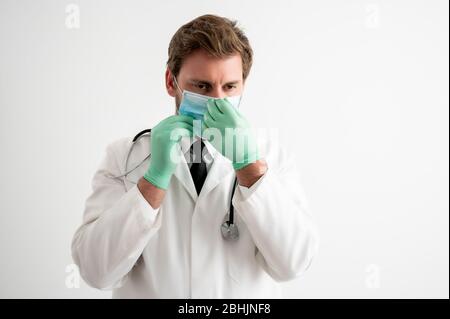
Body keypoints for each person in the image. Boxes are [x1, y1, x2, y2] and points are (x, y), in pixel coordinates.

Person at [71, 14, 318, 298]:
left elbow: (294, 264)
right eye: (202, 86)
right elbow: (96, 272)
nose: (216, 100)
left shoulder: (271, 156)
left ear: (243, 85)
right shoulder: (125, 157)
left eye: (229, 87)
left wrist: (250, 167)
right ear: (170, 81)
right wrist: (153, 180)